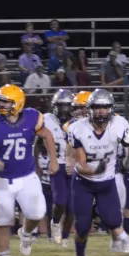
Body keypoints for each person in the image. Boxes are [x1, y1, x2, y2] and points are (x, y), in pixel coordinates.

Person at [0, 85, 58, 256]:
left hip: (27, 176)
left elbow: (47, 135)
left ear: (18, 104)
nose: (0, 105)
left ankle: (25, 233)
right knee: (3, 219)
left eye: (5, 102)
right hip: (1, 179)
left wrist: (54, 160)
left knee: (37, 213)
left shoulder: (32, 117)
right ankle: (4, 254)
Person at [67, 89, 129, 256]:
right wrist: (94, 171)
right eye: (97, 107)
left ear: (111, 109)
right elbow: (80, 165)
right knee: (82, 227)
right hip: (83, 183)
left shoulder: (119, 124)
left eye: (104, 107)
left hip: (106, 182)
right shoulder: (78, 128)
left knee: (114, 220)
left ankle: (120, 236)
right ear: (89, 109)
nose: (101, 111)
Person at [43, 89, 74, 247]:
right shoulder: (47, 119)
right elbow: (37, 143)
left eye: (67, 106)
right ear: (55, 106)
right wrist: (36, 164)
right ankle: (55, 223)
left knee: (72, 206)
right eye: (61, 106)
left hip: (73, 166)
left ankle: (65, 237)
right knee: (59, 201)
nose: (65, 110)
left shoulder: (77, 122)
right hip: (57, 164)